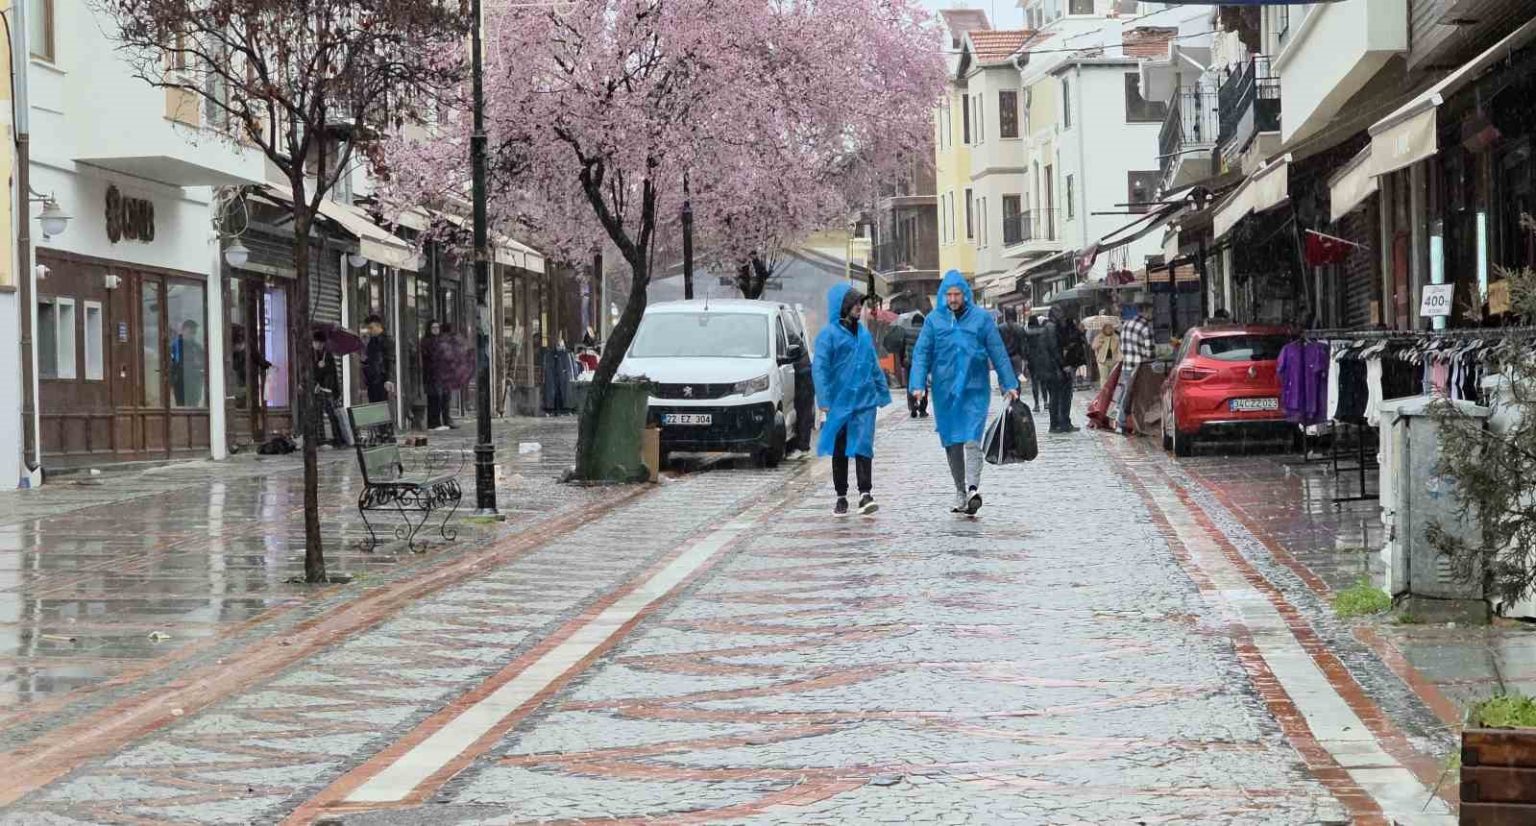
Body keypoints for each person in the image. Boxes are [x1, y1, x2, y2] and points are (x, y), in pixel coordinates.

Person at [909, 270, 1020, 516]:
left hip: (975, 389)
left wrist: (1009, 383)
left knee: (972, 438)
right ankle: (960, 489)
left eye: (957, 294)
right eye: (948, 294)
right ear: (943, 296)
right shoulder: (933, 321)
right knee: (952, 442)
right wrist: (917, 384)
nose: (953, 299)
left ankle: (972, 489)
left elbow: (998, 351)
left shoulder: (981, 319)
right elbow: (922, 353)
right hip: (945, 391)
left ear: (965, 295)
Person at [813, 283, 890, 516]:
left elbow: (873, 364)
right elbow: (820, 369)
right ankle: (841, 496)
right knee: (841, 448)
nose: (859, 307)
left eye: (860, 303)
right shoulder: (828, 336)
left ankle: (865, 494)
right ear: (844, 306)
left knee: (863, 445)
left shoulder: (864, 334)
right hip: (839, 402)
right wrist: (824, 399)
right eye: (855, 303)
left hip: (865, 401)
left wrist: (882, 392)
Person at [1115, 299, 1157, 435]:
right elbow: (1150, 354)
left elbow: (1121, 346)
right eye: (1151, 311)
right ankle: (1127, 423)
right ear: (1145, 311)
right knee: (1139, 397)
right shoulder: (1145, 328)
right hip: (1140, 369)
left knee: (1127, 394)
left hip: (1127, 365)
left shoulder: (1126, 324)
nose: (1152, 314)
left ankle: (1122, 422)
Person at [312, 331, 352, 447]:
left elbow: (332, 374)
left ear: (323, 344)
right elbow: (309, 372)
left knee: (332, 415)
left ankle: (338, 439)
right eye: (316, 342)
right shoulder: (310, 355)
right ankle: (319, 439)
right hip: (315, 390)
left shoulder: (328, 355)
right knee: (317, 415)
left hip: (327, 390)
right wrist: (315, 382)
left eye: (320, 343)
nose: (318, 345)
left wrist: (336, 392)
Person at [421, 320, 454, 431]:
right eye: (433, 328)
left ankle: (445, 420)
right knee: (434, 398)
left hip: (443, 374)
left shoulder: (441, 340)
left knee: (445, 397)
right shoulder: (426, 342)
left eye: (437, 327)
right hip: (432, 374)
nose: (436, 330)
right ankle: (434, 422)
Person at [170, 320, 205, 407]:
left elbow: (204, 363)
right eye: (191, 332)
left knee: (194, 407)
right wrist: (171, 383)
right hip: (180, 383)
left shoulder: (197, 347)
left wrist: (199, 366)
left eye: (194, 333)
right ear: (183, 331)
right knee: (182, 408)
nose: (193, 335)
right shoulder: (176, 346)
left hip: (195, 383)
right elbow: (172, 364)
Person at [362, 313, 395, 405]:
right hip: (372, 380)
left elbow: (390, 360)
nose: (369, 331)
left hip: (382, 380)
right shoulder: (371, 341)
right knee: (374, 406)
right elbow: (371, 360)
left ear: (378, 326)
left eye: (371, 328)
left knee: (382, 406)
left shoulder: (387, 340)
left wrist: (389, 379)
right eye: (368, 328)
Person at [904, 314, 929, 418]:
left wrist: (903, 359)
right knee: (922, 384)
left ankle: (913, 408)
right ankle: (922, 409)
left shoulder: (906, 332)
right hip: (922, 363)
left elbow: (902, 347)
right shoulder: (925, 332)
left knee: (910, 385)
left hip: (909, 362)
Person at [1023, 315, 1049, 413]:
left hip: (1032, 359)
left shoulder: (1027, 332)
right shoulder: (1043, 331)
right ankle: (1046, 402)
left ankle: (1036, 404)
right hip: (1042, 358)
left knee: (1034, 382)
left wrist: (1025, 359)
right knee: (1043, 381)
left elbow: (1025, 347)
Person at [1092, 319, 1121, 390]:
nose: (1109, 329)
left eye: (1110, 328)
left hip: (1113, 360)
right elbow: (1093, 346)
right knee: (1104, 378)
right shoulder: (1099, 336)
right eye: (1107, 328)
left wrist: (1119, 358)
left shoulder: (1116, 337)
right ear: (1104, 328)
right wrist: (1099, 343)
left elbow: (1119, 349)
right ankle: (1104, 392)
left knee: (1112, 378)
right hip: (1102, 360)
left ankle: (1111, 392)